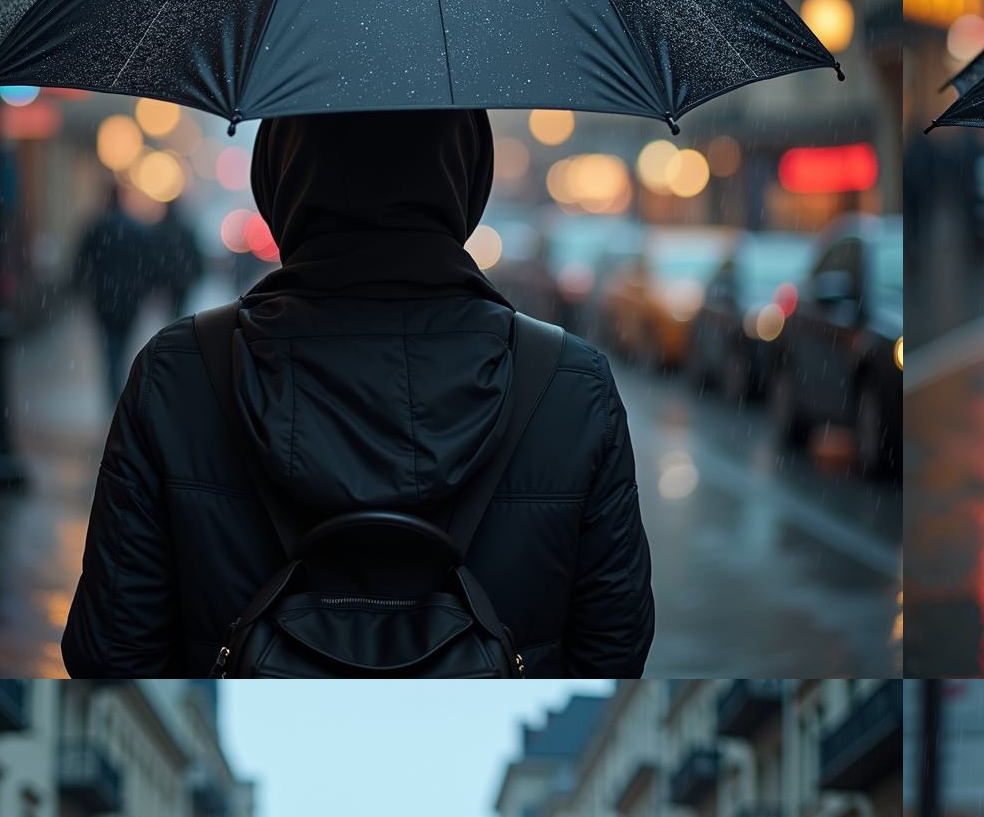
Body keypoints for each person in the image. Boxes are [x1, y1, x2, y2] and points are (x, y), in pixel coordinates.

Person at [61, 109, 655, 678]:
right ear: (468, 178)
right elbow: (615, 647)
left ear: (278, 179)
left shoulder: (180, 374)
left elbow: (112, 650)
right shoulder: (568, 384)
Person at [71, 181, 154, 396]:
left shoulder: (97, 226)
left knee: (109, 345)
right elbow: (148, 264)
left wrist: (77, 287)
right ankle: (119, 386)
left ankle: (113, 388)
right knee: (124, 343)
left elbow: (82, 261)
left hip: (104, 296)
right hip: (130, 297)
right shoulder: (136, 228)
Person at [145, 202, 204, 321]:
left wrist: (153, 280)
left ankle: (172, 329)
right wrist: (196, 274)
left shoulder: (158, 230)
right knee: (178, 311)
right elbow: (194, 254)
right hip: (183, 279)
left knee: (168, 312)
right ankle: (177, 327)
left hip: (166, 280)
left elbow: (152, 257)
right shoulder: (185, 229)